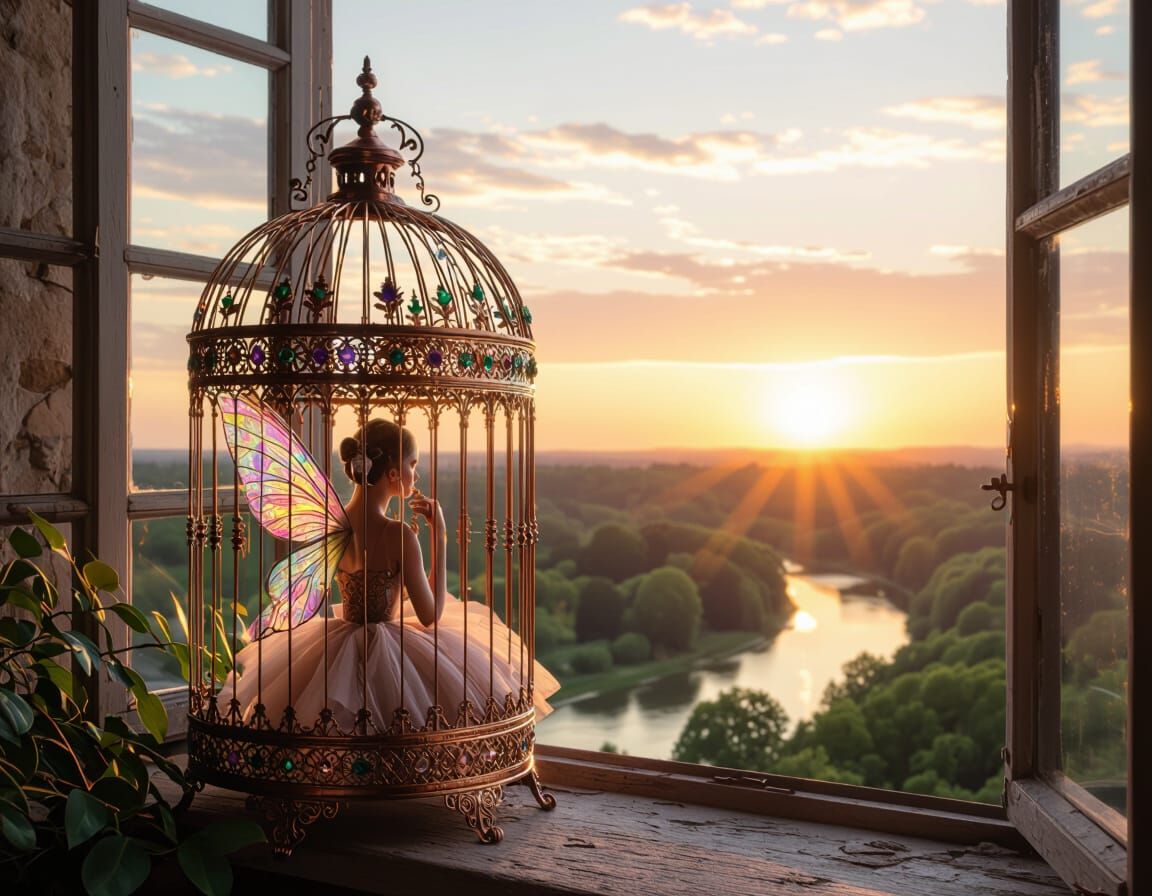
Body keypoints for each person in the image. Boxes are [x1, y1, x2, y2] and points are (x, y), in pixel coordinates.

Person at [218, 416, 559, 733]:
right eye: (413, 465)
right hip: (388, 650)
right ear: (393, 472)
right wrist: (439, 536)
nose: (417, 475)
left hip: (337, 642)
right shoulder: (399, 535)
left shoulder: (333, 525)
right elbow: (429, 614)